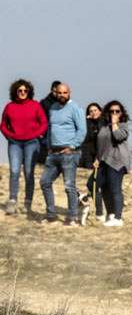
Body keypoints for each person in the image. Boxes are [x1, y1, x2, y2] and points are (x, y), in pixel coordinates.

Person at [39, 83, 86, 226]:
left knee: (69, 186)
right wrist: (49, 146)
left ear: (69, 93)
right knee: (45, 182)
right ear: (55, 93)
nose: (62, 95)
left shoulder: (76, 108)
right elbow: (50, 128)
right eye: (59, 93)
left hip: (69, 153)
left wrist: (72, 147)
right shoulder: (53, 108)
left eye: (64, 93)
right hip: (53, 153)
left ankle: (73, 218)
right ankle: (51, 215)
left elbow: (82, 130)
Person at [2, 79, 47, 215]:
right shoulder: (9, 106)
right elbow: (3, 124)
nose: (22, 93)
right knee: (14, 171)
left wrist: (37, 135)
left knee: (28, 172)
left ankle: (27, 203)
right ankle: (12, 201)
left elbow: (44, 123)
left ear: (29, 92)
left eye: (25, 91)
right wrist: (9, 135)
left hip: (31, 143)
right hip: (15, 143)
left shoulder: (35, 105)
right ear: (15, 92)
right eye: (20, 90)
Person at [94, 100, 131, 226]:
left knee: (115, 189)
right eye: (111, 111)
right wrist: (97, 158)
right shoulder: (103, 125)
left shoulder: (123, 124)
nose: (114, 113)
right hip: (104, 160)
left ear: (121, 113)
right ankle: (108, 213)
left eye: (117, 111)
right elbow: (100, 143)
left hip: (117, 160)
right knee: (95, 185)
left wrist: (115, 123)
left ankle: (118, 217)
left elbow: (118, 136)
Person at [78, 103, 103, 223]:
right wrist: (86, 121)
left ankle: (101, 213)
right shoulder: (90, 125)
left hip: (102, 159)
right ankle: (100, 212)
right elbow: (86, 138)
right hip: (92, 158)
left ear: (100, 111)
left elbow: (103, 143)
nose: (93, 112)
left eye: (95, 110)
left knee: (93, 185)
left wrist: (98, 158)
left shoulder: (103, 124)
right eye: (90, 111)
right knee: (92, 185)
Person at [35, 80, 60, 165]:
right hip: (46, 135)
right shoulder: (44, 103)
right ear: (52, 89)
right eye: (55, 91)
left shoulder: (64, 103)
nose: (57, 93)